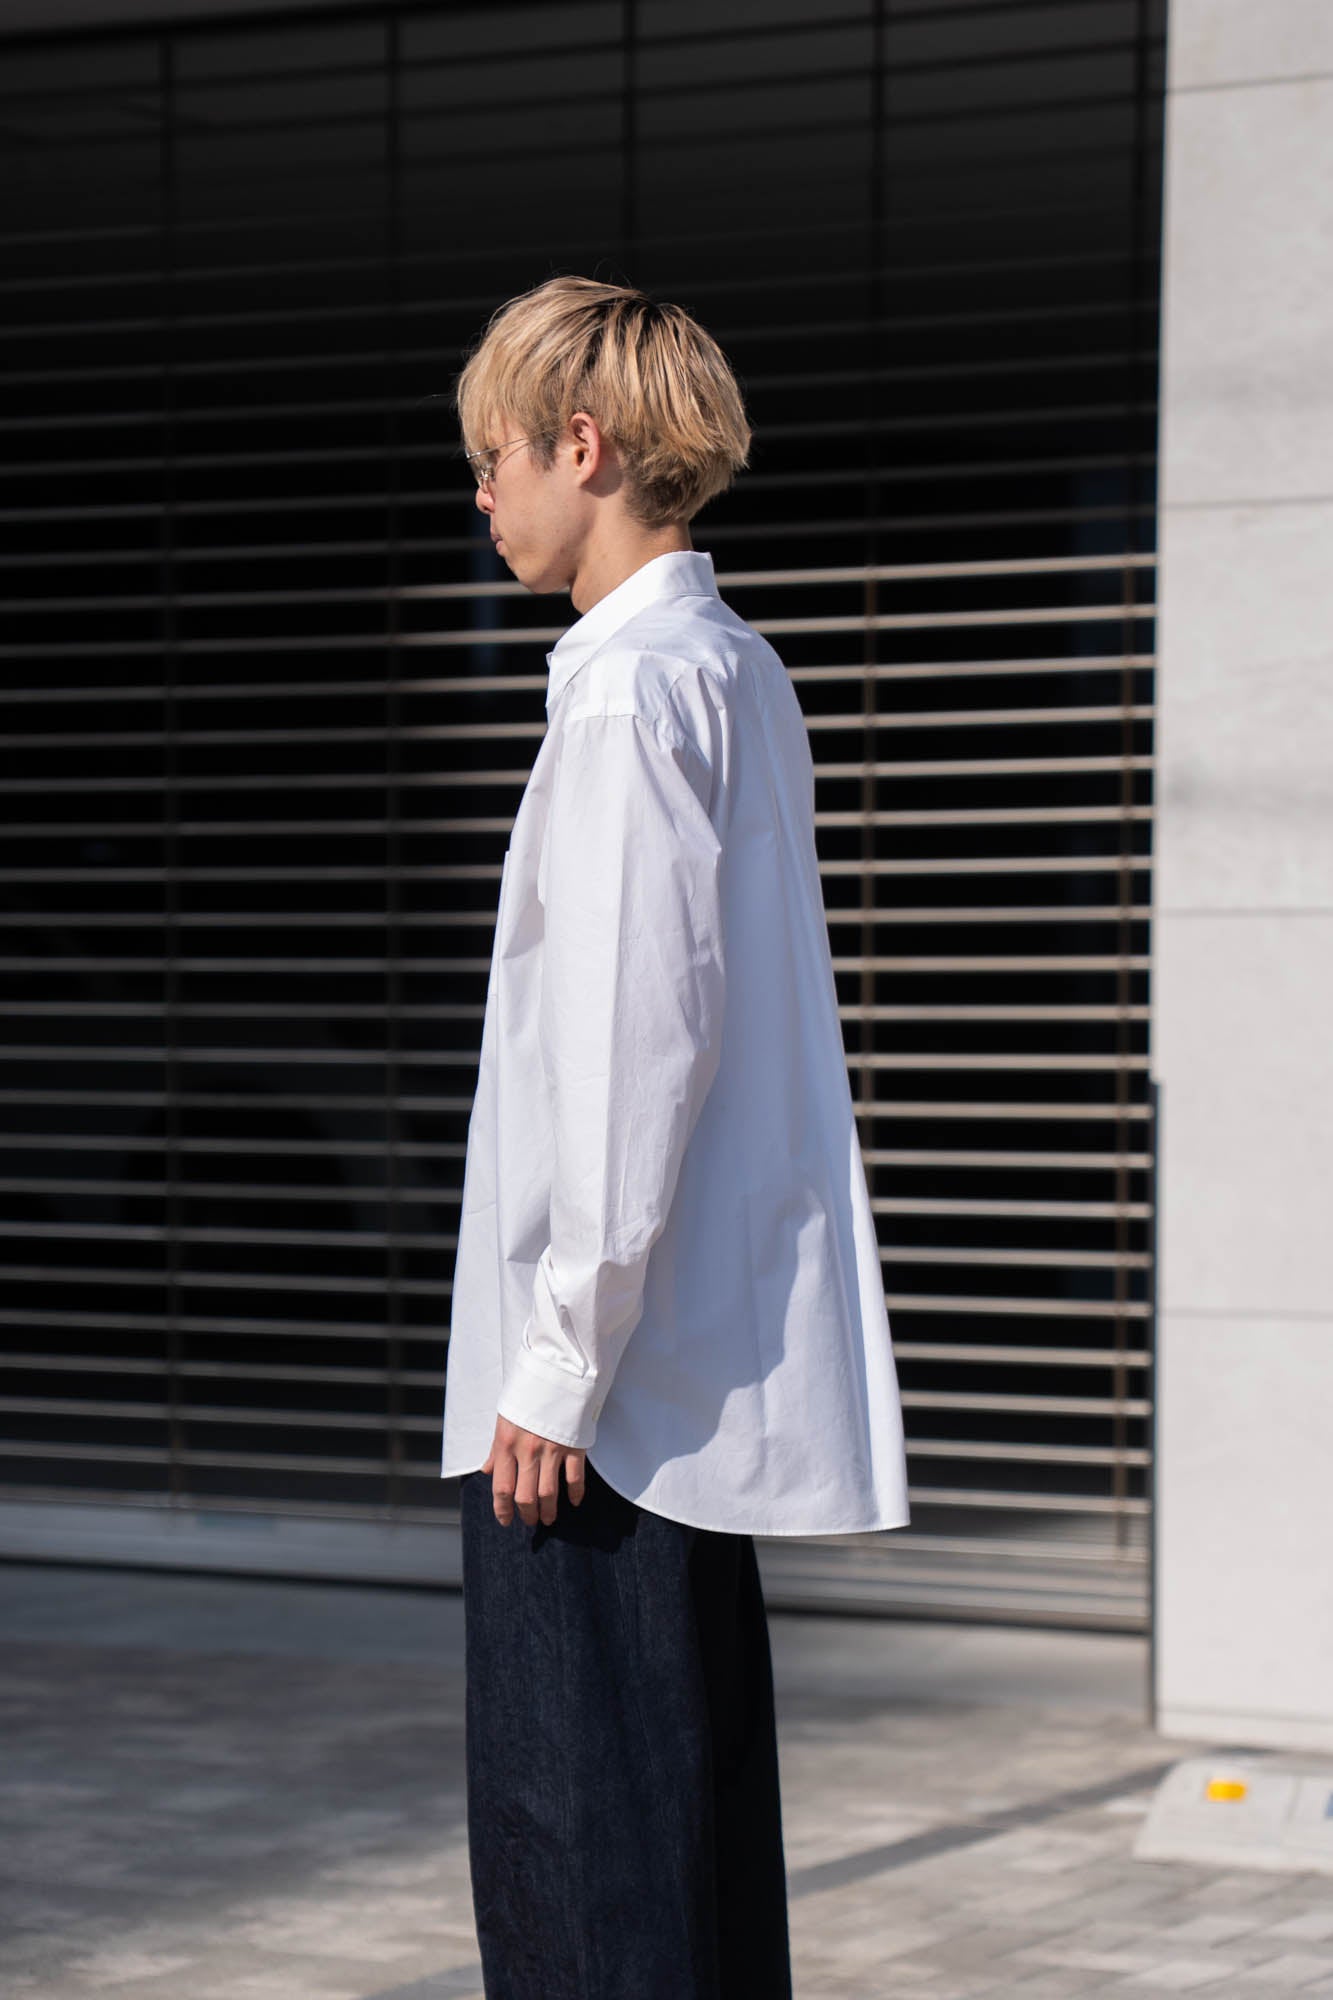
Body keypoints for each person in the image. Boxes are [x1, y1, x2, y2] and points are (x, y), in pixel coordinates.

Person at [440, 274, 909, 2000]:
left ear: (583, 445)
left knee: (585, 1872)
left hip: (602, 1406)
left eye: (493, 458)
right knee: (685, 1849)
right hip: (680, 1373)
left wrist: (558, 1359)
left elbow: (631, 1048)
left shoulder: (628, 698)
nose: (480, 495)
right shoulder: (730, 669)